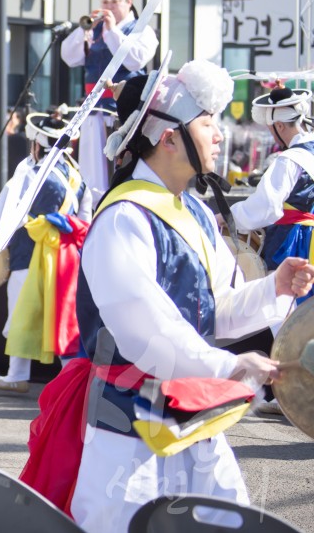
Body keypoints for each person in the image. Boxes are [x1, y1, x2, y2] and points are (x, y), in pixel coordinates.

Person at [20, 60, 314, 533]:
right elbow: (148, 331)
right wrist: (232, 367)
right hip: (129, 424)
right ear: (168, 136)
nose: (219, 135)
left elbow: (214, 313)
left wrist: (272, 289)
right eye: (207, 122)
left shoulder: (192, 211)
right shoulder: (123, 218)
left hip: (192, 411)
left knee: (227, 523)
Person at [0, 108, 91, 392]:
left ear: (37, 143)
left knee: (22, 311)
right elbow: (85, 217)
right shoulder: (76, 176)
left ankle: (17, 374)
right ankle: (73, 377)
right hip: (65, 255)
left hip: (30, 253)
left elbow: (2, 213)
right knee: (61, 314)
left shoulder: (29, 174)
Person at [228, 85, 314, 415]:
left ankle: (290, 392)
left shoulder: (289, 159)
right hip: (310, 236)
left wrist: (229, 217)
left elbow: (264, 209)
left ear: (278, 125)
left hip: (291, 238)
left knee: (283, 313)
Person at [60, 0, 158, 200]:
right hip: (94, 109)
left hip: (124, 110)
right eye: (105, 2)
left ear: (129, 2)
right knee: (91, 171)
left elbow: (134, 60)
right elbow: (69, 57)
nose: (109, 7)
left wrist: (113, 31)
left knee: (121, 164)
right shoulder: (94, 30)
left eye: (115, 2)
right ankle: (91, 207)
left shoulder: (141, 29)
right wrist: (82, 30)